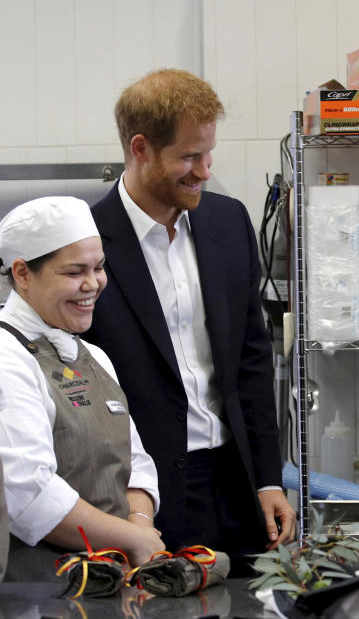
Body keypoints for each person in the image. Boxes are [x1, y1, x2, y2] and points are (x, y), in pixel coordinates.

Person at [81, 69, 295, 568]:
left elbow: (251, 359)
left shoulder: (228, 221)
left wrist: (268, 477)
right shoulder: (85, 244)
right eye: (189, 156)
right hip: (142, 498)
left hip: (236, 484)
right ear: (140, 148)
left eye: (208, 152)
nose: (204, 170)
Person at [0, 197, 164, 581]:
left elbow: (135, 463)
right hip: (41, 589)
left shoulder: (93, 357)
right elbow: (29, 495)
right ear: (22, 273)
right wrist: (133, 538)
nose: (93, 284)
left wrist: (139, 524)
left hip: (110, 578)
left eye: (99, 267)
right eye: (75, 272)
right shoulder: (8, 358)